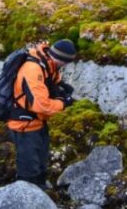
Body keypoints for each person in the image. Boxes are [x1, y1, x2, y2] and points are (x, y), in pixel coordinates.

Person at [7, 39, 77, 189]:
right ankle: (25, 198)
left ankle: (41, 193)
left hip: (38, 123)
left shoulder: (48, 64)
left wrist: (61, 89)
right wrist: (64, 103)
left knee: (41, 166)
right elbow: (41, 105)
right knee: (29, 171)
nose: (66, 66)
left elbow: (52, 83)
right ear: (61, 59)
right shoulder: (33, 69)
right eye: (66, 63)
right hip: (24, 126)